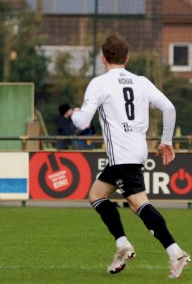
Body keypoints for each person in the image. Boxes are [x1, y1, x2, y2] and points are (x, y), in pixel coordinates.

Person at [71, 33, 190, 278]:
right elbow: (169, 107)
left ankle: (175, 252)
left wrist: (73, 113)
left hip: (122, 154)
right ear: (127, 57)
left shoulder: (100, 83)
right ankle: (122, 244)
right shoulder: (141, 81)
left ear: (103, 58)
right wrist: (166, 141)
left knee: (138, 204)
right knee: (96, 195)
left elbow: (82, 123)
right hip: (134, 151)